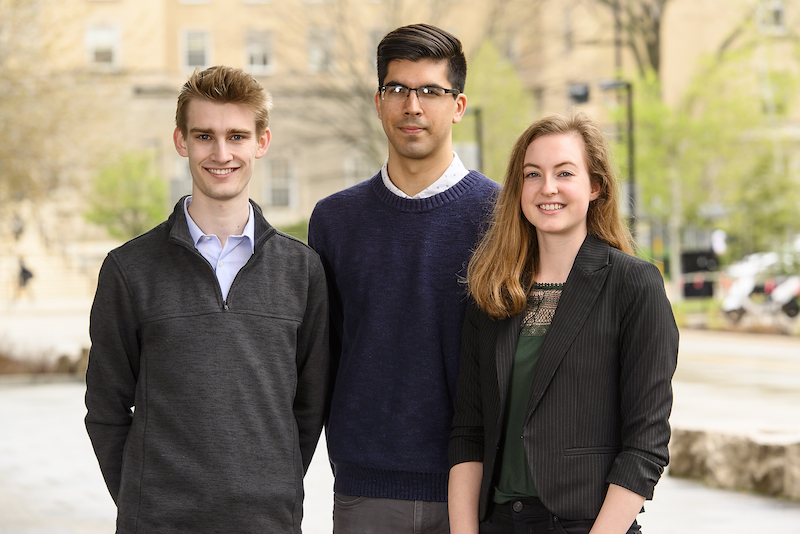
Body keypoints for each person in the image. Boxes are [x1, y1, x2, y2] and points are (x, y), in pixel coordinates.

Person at [84, 65, 329, 534]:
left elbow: (310, 406)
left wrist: (272, 485)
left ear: (262, 142)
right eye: (204, 136)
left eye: (237, 136)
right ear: (181, 142)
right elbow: (105, 408)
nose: (221, 154)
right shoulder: (129, 269)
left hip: (268, 521)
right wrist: (143, 497)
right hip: (157, 521)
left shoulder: (302, 270)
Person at [308, 23, 500, 533]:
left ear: (457, 105)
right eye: (398, 90)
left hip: (479, 490)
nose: (412, 106)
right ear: (378, 102)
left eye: (431, 91)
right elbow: (320, 358)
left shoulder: (503, 215)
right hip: (365, 488)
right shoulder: (334, 220)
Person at [448, 112, 679, 534]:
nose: (547, 188)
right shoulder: (492, 289)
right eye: (532, 174)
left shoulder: (633, 285)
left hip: (588, 524)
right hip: (499, 522)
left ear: (595, 187)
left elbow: (645, 445)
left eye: (565, 173)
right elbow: (468, 431)